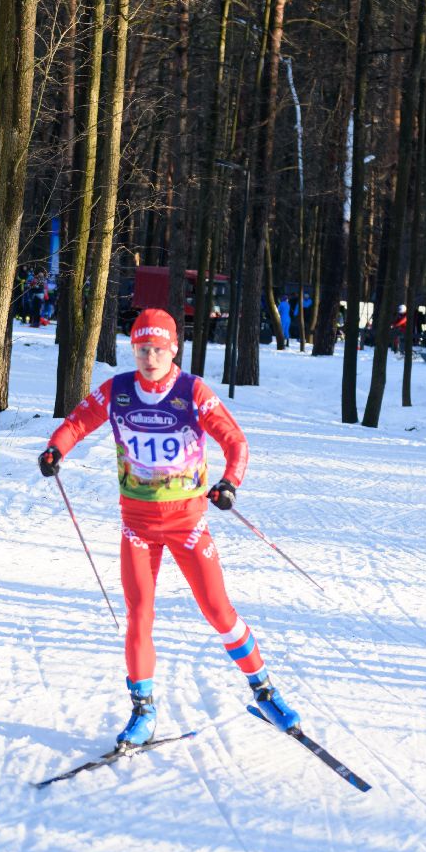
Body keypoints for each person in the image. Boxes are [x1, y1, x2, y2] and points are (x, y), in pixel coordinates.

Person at [36, 308, 299, 749]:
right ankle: (143, 711)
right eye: (142, 348)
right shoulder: (118, 391)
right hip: (137, 525)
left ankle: (265, 690)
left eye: (158, 348)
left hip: (188, 524)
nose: (149, 357)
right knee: (139, 616)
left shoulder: (191, 391)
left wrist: (230, 483)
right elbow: (80, 421)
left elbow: (235, 441)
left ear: (173, 348)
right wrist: (55, 448)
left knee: (219, 612)